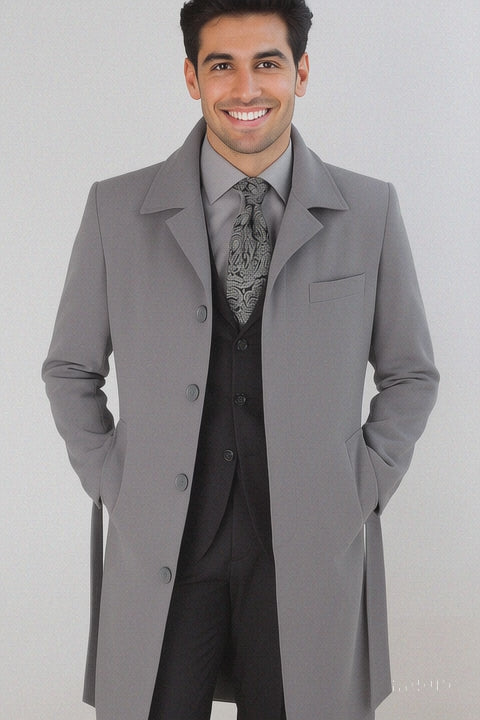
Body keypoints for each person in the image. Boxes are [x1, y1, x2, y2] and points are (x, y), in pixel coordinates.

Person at [42, 1, 439, 719]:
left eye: (268, 63)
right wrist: (113, 480)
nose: (246, 88)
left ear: (302, 73)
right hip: (164, 546)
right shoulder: (115, 210)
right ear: (192, 77)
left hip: (308, 546)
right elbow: (71, 369)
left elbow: (410, 373)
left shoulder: (370, 211)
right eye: (222, 64)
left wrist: (363, 484)